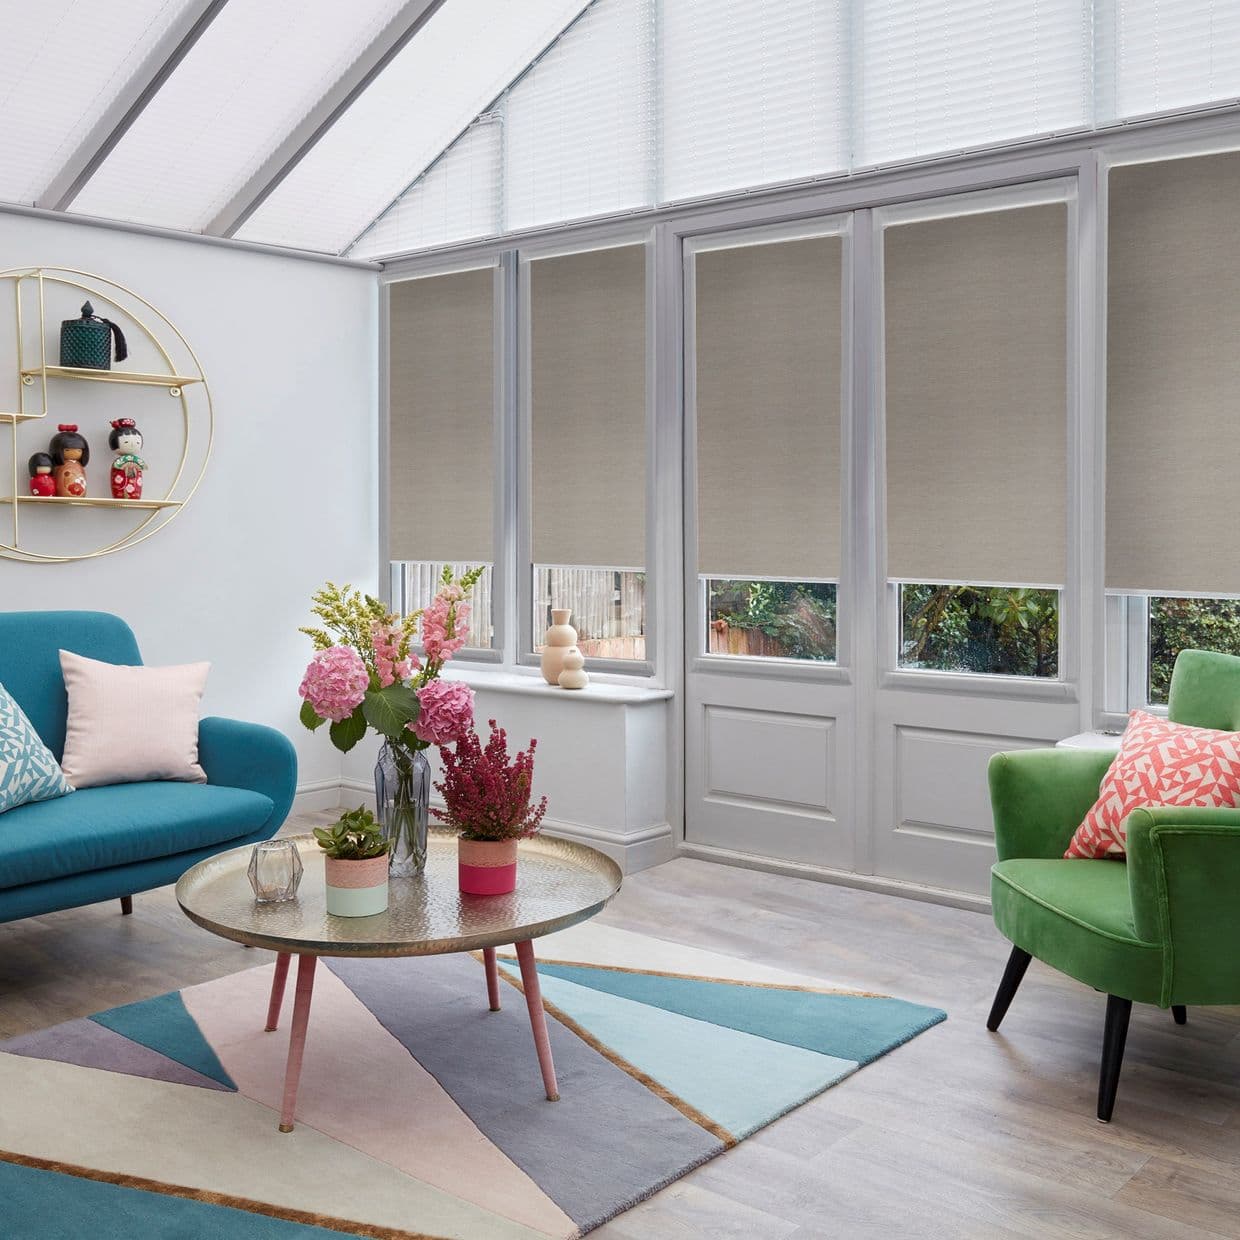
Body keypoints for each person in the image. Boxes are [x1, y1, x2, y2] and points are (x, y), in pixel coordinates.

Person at [108, 418, 146, 500]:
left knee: (136, 482)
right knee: (120, 481)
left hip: (134, 483)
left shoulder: (137, 461)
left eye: (137, 442)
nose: (132, 445)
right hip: (122, 485)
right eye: (126, 442)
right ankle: (120, 495)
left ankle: (135, 495)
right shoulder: (118, 462)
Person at [49, 424, 89, 498]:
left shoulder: (79, 465)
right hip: (64, 490)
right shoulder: (61, 465)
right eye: (67, 450)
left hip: (80, 490)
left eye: (79, 450)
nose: (74, 452)